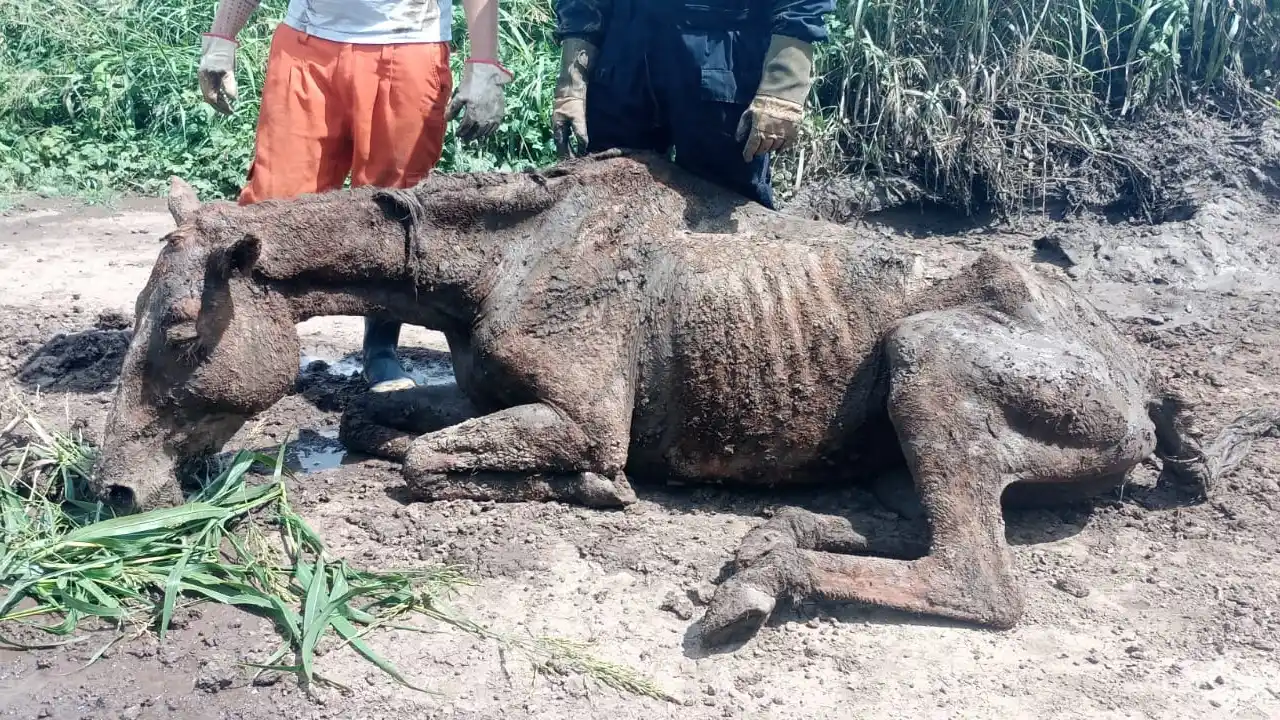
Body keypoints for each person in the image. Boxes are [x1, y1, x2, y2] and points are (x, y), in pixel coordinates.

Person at [197, 0, 512, 392]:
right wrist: (222, 37)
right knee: (273, 203)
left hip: (408, 46)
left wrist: (484, 64)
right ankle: (252, 344)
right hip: (308, 46)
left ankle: (380, 351)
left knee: (393, 211)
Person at [550, 0, 833, 210]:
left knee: (725, 220)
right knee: (606, 203)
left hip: (724, 56)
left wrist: (782, 90)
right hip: (624, 60)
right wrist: (570, 85)